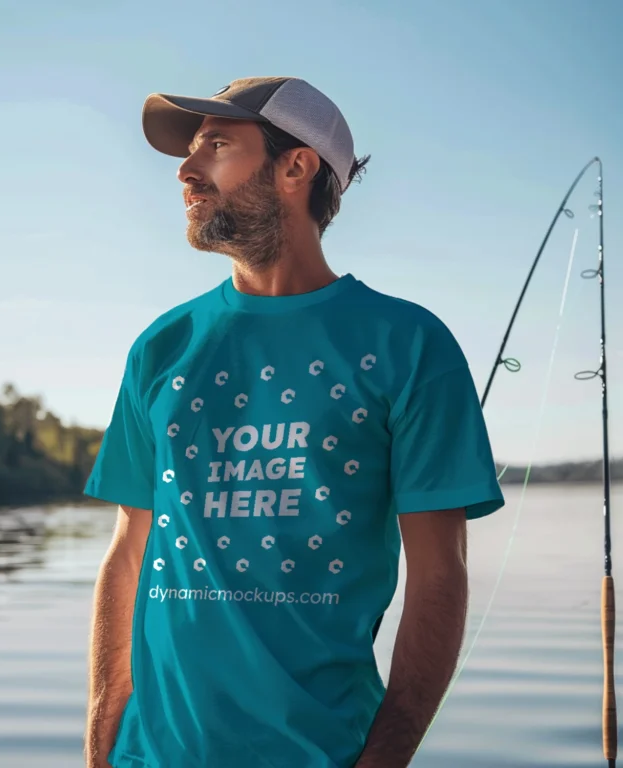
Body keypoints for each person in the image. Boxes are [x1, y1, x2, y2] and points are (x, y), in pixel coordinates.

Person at [83, 76, 505, 768]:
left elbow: (440, 574)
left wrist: (384, 759)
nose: (186, 170)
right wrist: (101, 743)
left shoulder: (408, 345)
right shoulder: (161, 347)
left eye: (216, 145)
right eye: (190, 152)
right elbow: (130, 552)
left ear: (296, 166)